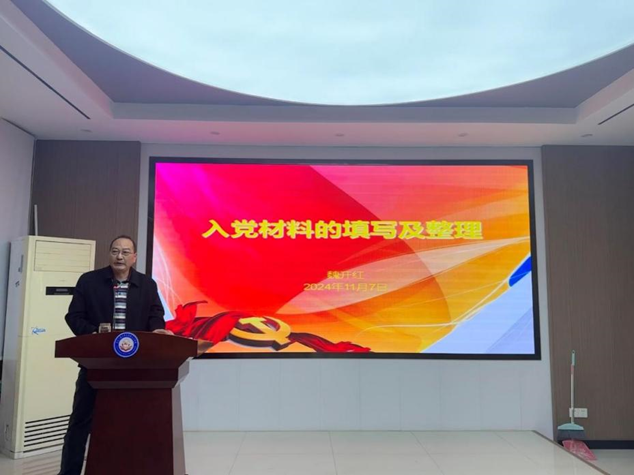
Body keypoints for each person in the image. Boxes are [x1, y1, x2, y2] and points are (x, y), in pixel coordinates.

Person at [58, 235, 171, 475]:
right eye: (115, 251)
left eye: (125, 252)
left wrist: (157, 331)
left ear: (134, 257)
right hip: (96, 365)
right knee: (80, 421)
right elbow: (73, 316)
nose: (120, 256)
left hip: (135, 368)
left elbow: (155, 315)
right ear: (109, 254)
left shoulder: (147, 285)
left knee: (135, 423)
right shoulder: (89, 281)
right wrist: (94, 333)